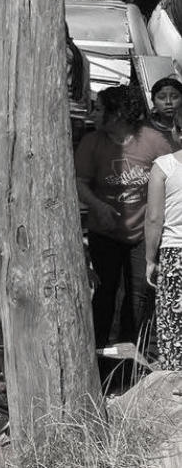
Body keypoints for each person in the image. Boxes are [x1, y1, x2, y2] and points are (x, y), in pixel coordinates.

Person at [75, 85, 172, 350]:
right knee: (104, 293)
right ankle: (97, 354)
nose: (92, 114)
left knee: (139, 295)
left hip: (143, 233)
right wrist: (97, 206)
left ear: (117, 114)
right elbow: (80, 181)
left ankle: (132, 356)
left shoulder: (153, 141)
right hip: (104, 232)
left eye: (99, 109)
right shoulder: (91, 142)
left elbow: (174, 178)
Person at [145, 108, 182, 369]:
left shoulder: (164, 166)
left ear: (176, 131)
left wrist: (149, 258)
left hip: (174, 253)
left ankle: (175, 376)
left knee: (173, 319)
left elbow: (155, 218)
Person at [148, 77, 182, 145]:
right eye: (162, 97)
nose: (168, 102)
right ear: (154, 102)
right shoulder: (148, 133)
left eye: (174, 97)